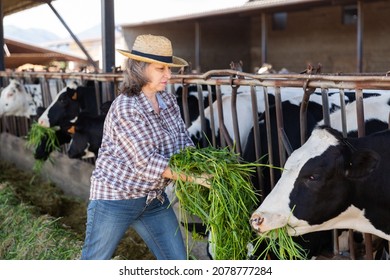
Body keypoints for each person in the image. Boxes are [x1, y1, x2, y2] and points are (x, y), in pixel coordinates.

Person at [80, 34, 210, 260]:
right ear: (140, 69)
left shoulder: (167, 101)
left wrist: (205, 164)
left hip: (154, 200)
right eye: (161, 69)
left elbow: (182, 142)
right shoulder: (127, 108)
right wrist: (198, 178)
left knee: (177, 263)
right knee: (94, 262)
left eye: (169, 68)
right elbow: (147, 163)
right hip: (115, 199)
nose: (168, 75)